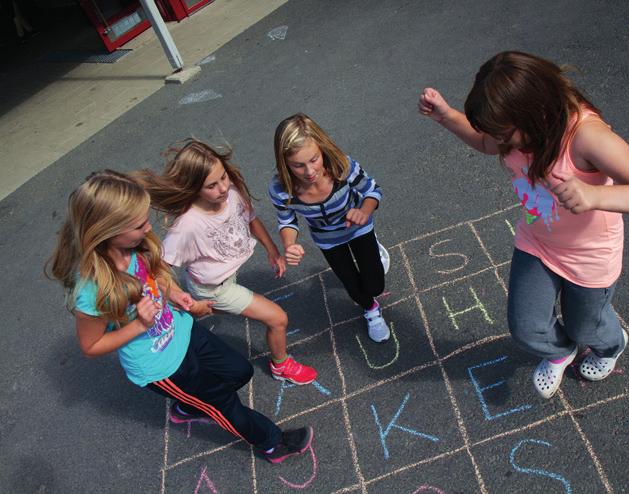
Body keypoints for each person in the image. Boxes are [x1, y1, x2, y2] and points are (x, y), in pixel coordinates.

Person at [418, 51, 629, 399]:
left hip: (589, 256)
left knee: (588, 326)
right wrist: (446, 117)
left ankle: (611, 346)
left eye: (504, 131)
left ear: (534, 113)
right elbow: (483, 142)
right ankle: (560, 352)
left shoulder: (586, 136)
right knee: (526, 327)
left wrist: (595, 197)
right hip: (537, 242)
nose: (499, 140)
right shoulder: (510, 132)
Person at [46, 170, 313, 463]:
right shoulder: (92, 288)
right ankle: (272, 443)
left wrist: (175, 295)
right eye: (138, 224)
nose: (148, 227)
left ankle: (188, 407)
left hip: (182, 331)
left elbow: (153, 277)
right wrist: (139, 325)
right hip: (162, 365)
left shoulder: (134, 247)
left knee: (239, 370)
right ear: (107, 230)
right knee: (224, 405)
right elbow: (91, 346)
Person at [134, 139, 317, 386]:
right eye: (212, 185)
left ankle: (200, 308)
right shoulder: (187, 226)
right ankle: (281, 365)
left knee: (208, 307)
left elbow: (250, 218)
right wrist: (181, 298)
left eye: (223, 177)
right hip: (215, 287)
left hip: (220, 274)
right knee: (277, 318)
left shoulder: (231, 193)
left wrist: (272, 249)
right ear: (194, 187)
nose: (222, 187)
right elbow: (156, 269)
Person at [269, 113, 390, 343]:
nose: (309, 171)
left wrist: (364, 211)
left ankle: (374, 251)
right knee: (354, 289)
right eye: (298, 165)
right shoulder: (280, 188)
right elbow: (287, 220)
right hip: (328, 239)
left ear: (322, 148)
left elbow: (373, 190)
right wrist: (289, 243)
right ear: (284, 162)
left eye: (314, 159)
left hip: (358, 228)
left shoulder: (341, 166)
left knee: (374, 284)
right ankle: (371, 311)